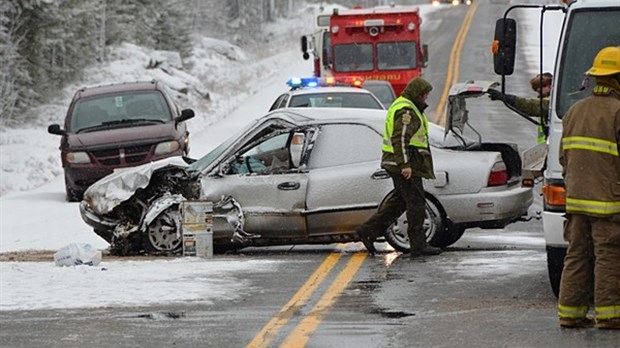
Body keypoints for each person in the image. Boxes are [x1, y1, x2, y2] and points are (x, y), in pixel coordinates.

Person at [557, 46, 620, 330]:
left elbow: (563, 157)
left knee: (577, 255)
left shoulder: (574, 111)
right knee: (609, 255)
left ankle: (570, 314)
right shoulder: (618, 112)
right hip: (609, 201)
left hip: (577, 200)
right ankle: (610, 316)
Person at [356, 77, 442, 257]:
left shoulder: (404, 105)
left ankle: (368, 231)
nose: (426, 98)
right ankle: (418, 245)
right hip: (401, 164)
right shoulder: (406, 110)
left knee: (400, 201)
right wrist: (405, 165)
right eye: (425, 94)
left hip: (398, 163)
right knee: (416, 202)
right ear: (418, 94)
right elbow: (400, 138)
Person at [488, 72, 552, 144]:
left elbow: (532, 106)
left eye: (543, 85)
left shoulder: (554, 102)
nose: (539, 90)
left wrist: (506, 98)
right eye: (536, 88)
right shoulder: (549, 100)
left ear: (552, 85)